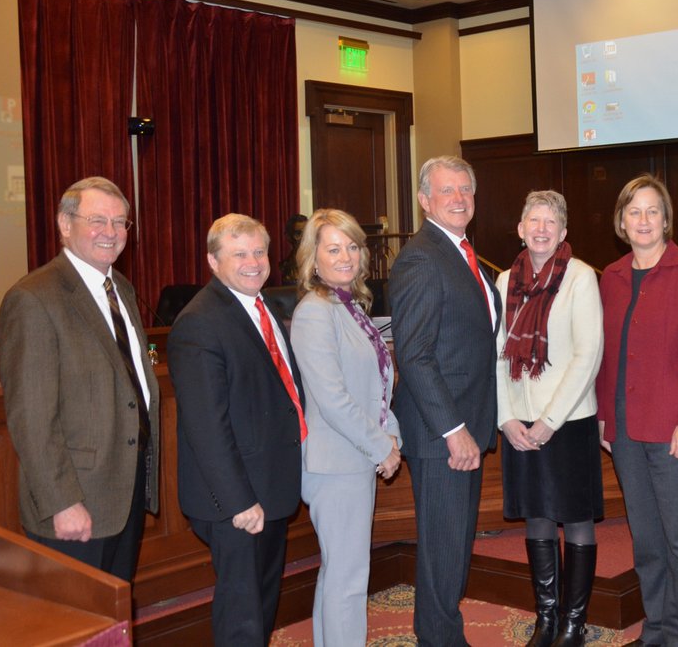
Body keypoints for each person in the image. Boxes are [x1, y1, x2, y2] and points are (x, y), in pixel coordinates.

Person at [0, 176, 159, 581]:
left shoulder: (120, 288)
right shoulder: (34, 298)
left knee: (113, 625)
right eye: (98, 220)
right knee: (79, 632)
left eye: (120, 222)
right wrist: (61, 502)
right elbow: (31, 418)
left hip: (121, 492)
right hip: (74, 504)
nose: (111, 232)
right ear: (64, 224)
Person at [167, 213, 306, 646]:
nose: (253, 262)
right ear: (213, 261)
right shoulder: (200, 322)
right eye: (239, 254)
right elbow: (207, 425)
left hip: (269, 486)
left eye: (260, 251)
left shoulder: (266, 308)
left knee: (261, 605)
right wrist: (239, 501)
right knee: (242, 617)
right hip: (236, 500)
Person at [595, 174, 678, 647]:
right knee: (647, 543)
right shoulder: (611, 276)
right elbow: (607, 355)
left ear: (666, 220)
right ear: (621, 222)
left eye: (652, 211)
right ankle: (658, 629)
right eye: (634, 212)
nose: (643, 220)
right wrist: (607, 417)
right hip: (627, 431)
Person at [386, 155, 501, 647]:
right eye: (446, 190)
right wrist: (454, 432)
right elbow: (414, 354)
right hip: (443, 436)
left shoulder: (461, 251)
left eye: (465, 190)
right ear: (424, 200)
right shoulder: (421, 257)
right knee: (442, 553)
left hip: (464, 427)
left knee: (453, 551)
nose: (458, 199)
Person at [495, 190, 605, 647]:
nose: (541, 229)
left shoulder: (580, 277)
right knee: (537, 517)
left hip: (569, 420)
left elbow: (588, 354)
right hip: (519, 423)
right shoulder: (504, 281)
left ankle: (575, 624)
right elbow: (497, 356)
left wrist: (550, 420)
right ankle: (547, 619)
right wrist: (505, 419)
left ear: (563, 233)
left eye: (550, 223)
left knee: (576, 519)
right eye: (533, 221)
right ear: (521, 228)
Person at [290, 208, 402, 646]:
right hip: (335, 465)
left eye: (352, 246)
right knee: (349, 577)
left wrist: (392, 435)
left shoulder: (349, 305)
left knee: (342, 573)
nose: (346, 256)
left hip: (354, 458)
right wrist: (382, 447)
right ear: (313, 259)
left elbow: (376, 384)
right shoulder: (315, 311)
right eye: (333, 248)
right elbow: (333, 399)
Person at [279, 213, 307, 285]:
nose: (303, 237)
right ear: (288, 236)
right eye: (298, 233)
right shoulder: (285, 266)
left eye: (306, 232)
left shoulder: (319, 263)